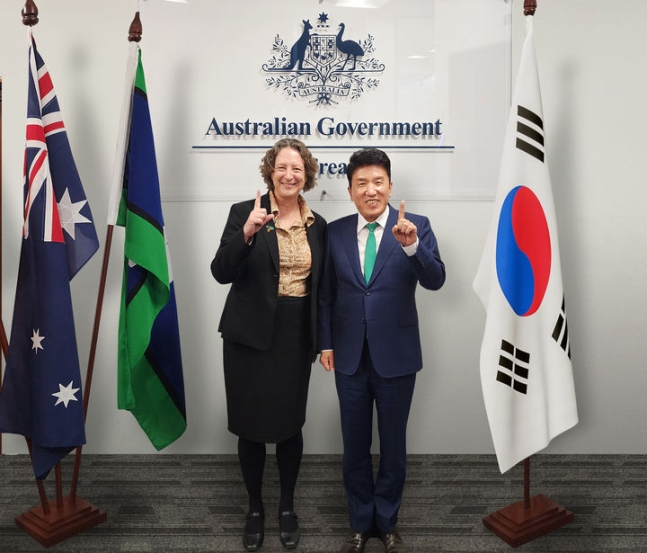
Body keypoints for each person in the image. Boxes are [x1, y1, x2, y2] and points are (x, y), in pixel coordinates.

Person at [318, 148, 446, 553]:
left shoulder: (416, 226)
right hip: (349, 357)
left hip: (397, 355)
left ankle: (387, 522)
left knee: (392, 446)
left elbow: (437, 280)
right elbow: (325, 295)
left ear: (390, 186)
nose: (370, 190)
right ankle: (360, 523)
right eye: (361, 184)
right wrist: (325, 342)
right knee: (354, 445)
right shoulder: (335, 232)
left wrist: (412, 248)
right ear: (351, 190)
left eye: (378, 183)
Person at [211, 138, 327, 551]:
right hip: (248, 337)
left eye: (297, 168)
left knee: (289, 425)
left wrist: (324, 342)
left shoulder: (320, 225)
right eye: (281, 167)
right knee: (252, 427)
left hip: (295, 336)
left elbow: (323, 292)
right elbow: (220, 272)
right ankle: (256, 508)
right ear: (270, 171)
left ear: (307, 175)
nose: (289, 174)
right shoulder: (245, 212)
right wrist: (246, 233)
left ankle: (287, 506)